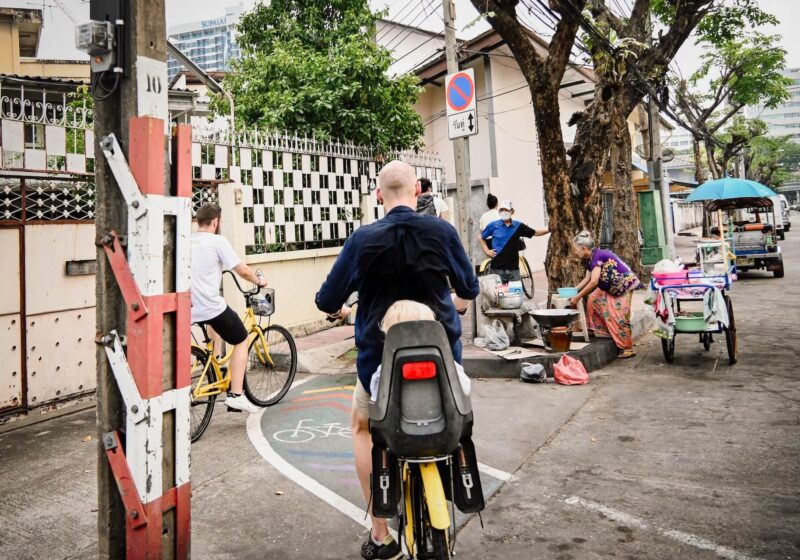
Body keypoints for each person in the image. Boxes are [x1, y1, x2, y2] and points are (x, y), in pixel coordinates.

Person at [316, 161, 478, 560]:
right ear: (418, 188)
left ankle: (380, 533)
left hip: (378, 365)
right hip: (442, 359)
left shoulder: (363, 238)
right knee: (459, 423)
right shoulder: (442, 231)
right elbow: (469, 288)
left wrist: (340, 310)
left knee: (363, 430)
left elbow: (326, 300)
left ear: (378, 195)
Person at [190, 203, 268, 414]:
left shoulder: (186, 240)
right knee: (241, 339)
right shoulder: (217, 241)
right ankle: (236, 395)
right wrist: (259, 280)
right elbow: (241, 270)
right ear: (216, 222)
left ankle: (214, 361)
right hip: (208, 306)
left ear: (197, 221)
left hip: (188, 309)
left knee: (214, 320)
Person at [368, 300, 471, 400]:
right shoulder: (446, 364)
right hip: (443, 416)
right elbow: (464, 389)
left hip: (396, 417)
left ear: (390, 336)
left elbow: (377, 399)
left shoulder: (384, 370)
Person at [569, 230, 642, 359]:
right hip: (609, 286)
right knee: (593, 299)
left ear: (584, 248)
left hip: (622, 286)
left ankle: (627, 347)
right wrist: (573, 291)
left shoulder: (597, 257)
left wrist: (577, 297)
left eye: (576, 250)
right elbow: (587, 279)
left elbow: (593, 282)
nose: (575, 252)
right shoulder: (591, 257)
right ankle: (598, 330)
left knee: (617, 315)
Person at [479, 200, 549, 284]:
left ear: (512, 211)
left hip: (514, 269)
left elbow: (535, 232)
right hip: (497, 268)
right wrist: (487, 251)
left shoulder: (518, 226)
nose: (504, 212)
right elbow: (480, 237)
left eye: (506, 210)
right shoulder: (493, 225)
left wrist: (549, 230)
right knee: (499, 295)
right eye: (501, 210)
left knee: (516, 295)